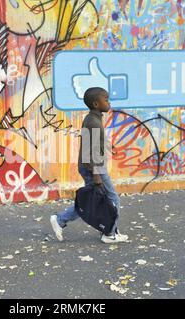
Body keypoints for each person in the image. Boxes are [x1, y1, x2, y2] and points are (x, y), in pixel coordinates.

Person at [50, 87, 129, 244]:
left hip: (93, 166)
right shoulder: (93, 121)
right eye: (105, 100)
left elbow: (95, 141)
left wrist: (107, 146)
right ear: (95, 103)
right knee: (111, 198)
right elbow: (89, 150)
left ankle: (62, 220)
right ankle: (109, 233)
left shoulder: (95, 117)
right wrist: (96, 173)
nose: (109, 102)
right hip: (93, 167)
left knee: (93, 200)